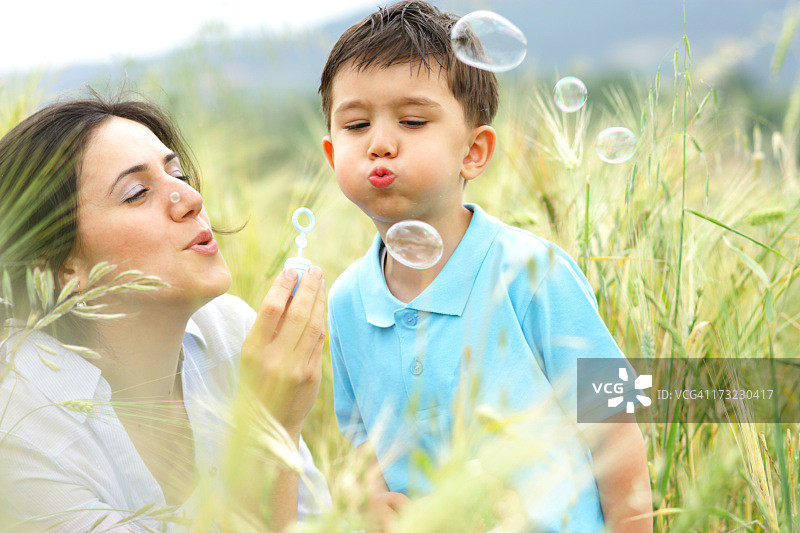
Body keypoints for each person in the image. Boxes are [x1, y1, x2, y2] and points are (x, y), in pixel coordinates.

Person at [319, 1, 652, 531]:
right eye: (357, 124)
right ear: (334, 155)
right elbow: (363, 437)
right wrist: (369, 496)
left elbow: (612, 424)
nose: (380, 143)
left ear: (474, 151)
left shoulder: (530, 272)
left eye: (412, 120)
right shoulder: (344, 300)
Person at [0, 96, 331, 532]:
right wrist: (269, 425)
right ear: (60, 268)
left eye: (179, 174)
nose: (192, 199)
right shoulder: (20, 431)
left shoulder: (230, 331)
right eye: (137, 193)